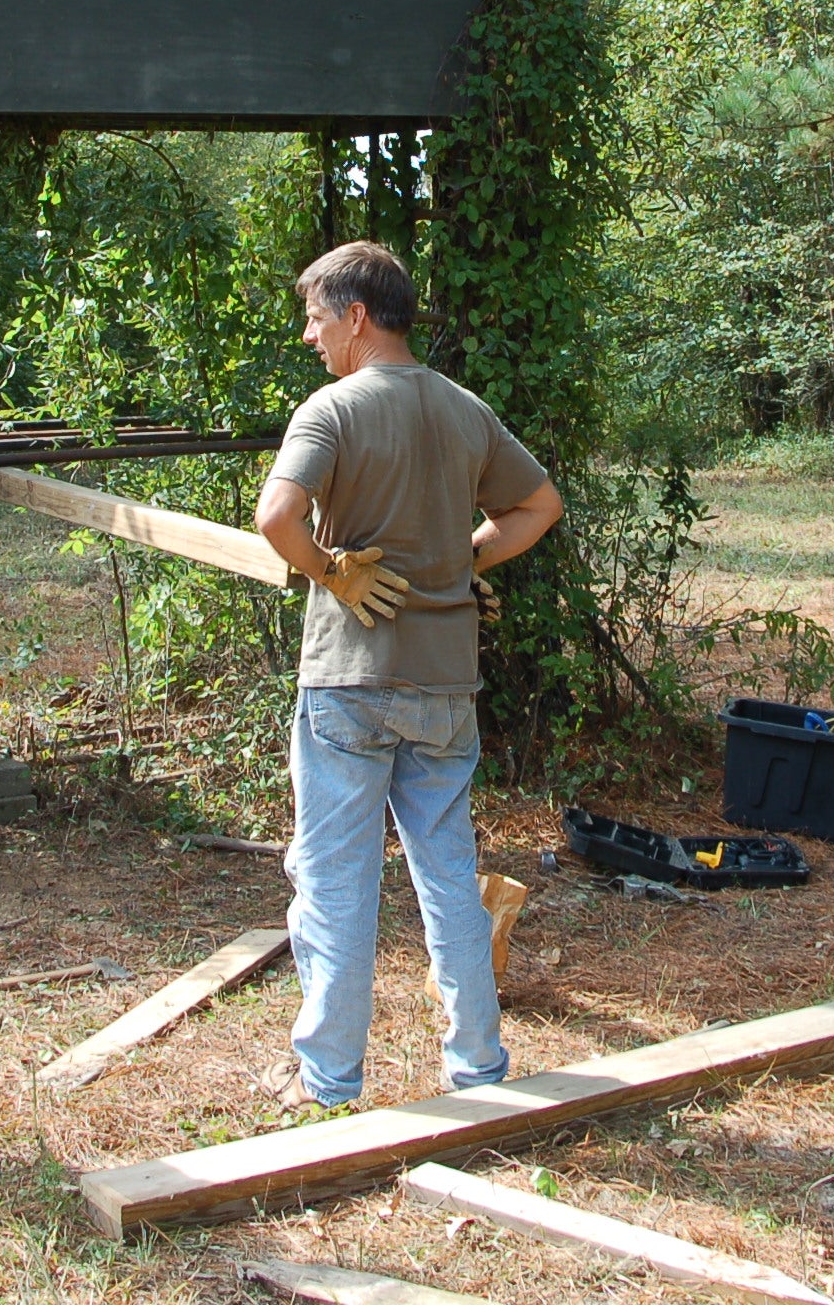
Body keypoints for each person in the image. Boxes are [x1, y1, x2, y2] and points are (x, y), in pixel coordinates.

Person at [251, 241, 564, 1112]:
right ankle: (477, 1067)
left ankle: (330, 1082)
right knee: (446, 874)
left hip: (349, 687)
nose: (310, 336)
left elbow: (276, 516)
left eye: (316, 318)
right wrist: (466, 560)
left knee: (336, 883)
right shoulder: (465, 410)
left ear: (356, 315)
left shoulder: (333, 409)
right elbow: (539, 507)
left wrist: (330, 569)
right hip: (445, 687)